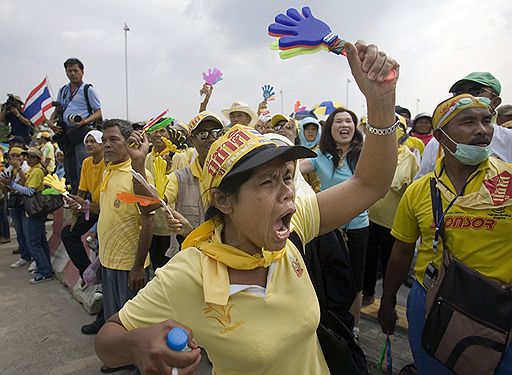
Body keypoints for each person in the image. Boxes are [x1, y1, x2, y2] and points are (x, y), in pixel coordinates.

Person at [96, 41, 399, 374]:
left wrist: (381, 102)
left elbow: (370, 184)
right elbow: (108, 340)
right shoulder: (189, 274)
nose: (287, 193)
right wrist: (137, 344)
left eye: (287, 177)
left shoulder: (295, 224)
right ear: (223, 201)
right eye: (267, 182)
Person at [378, 94, 512, 374]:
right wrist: (388, 300)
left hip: (498, 310)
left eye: (487, 121)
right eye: (468, 122)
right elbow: (402, 250)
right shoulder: (419, 190)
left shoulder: (509, 181)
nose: (482, 130)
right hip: (430, 302)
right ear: (440, 135)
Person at [300, 106, 370, 341]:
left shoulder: (363, 155)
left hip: (358, 228)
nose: (344, 125)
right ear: (329, 129)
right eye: (338, 121)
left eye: (349, 121)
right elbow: (296, 168)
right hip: (328, 227)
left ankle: (354, 327)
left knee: (356, 280)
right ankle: (329, 322)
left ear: (354, 128)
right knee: (327, 274)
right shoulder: (320, 157)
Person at [96, 119, 154, 373]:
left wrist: (138, 266)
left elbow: (149, 219)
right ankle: (121, 358)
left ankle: (140, 365)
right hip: (109, 262)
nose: (106, 145)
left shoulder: (137, 174)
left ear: (129, 142)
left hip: (130, 266)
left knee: (135, 325)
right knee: (115, 318)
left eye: (113, 140)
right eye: (104, 140)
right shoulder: (107, 170)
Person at [415, 72, 512, 180]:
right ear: (440, 136)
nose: (465, 97)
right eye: (459, 93)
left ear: (495, 102)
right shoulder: (437, 144)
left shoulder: (509, 139)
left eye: (475, 90)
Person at [362, 127, 419, 306]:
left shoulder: (408, 157)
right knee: (369, 259)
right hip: (370, 215)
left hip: (392, 220)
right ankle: (368, 294)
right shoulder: (372, 152)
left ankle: (389, 302)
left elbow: (405, 185)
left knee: (390, 263)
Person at [59, 130, 106, 335]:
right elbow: (82, 190)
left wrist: (85, 206)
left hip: (104, 210)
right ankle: (86, 272)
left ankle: (104, 314)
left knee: (104, 258)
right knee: (68, 233)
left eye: (92, 141)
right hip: (91, 208)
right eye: (86, 141)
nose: (88, 144)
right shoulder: (87, 163)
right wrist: (75, 214)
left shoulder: (110, 163)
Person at [49, 58, 102, 193]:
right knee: (69, 166)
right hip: (66, 132)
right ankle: (74, 195)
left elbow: (98, 112)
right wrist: (51, 122)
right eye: (69, 71)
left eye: (75, 71)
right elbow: (57, 110)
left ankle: (86, 195)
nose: (73, 73)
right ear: (66, 72)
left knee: (82, 164)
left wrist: (84, 121)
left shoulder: (87, 89)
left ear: (82, 72)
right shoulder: (63, 90)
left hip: (82, 132)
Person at [144, 119, 189, 270]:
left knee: (171, 268)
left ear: (169, 135)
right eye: (154, 131)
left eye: (162, 131)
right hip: (152, 222)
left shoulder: (179, 157)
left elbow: (183, 189)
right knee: (156, 267)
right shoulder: (147, 157)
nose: (158, 134)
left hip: (172, 224)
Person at [7, 148, 53, 283]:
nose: (29, 159)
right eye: (28, 157)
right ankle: (45, 268)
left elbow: (29, 191)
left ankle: (45, 271)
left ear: (38, 159)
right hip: (37, 209)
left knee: (33, 243)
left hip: (34, 209)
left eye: (32, 157)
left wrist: (12, 184)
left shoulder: (37, 171)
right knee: (40, 241)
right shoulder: (35, 170)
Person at [2, 147, 31, 267]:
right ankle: (24, 256)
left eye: (17, 156)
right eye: (12, 156)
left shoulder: (26, 167)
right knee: (19, 231)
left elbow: (25, 183)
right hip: (14, 202)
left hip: (25, 203)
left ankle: (34, 258)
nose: (15, 159)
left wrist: (18, 169)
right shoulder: (8, 169)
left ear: (23, 157)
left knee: (27, 231)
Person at [298, 117, 322, 192]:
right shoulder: (296, 150)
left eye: (314, 129)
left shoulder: (323, 150)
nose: (310, 131)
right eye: (307, 129)